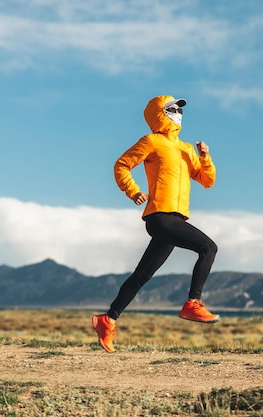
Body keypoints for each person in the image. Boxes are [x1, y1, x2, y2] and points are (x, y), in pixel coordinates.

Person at [92, 95, 220, 353]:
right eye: (171, 109)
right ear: (159, 113)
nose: (177, 112)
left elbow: (206, 181)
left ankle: (108, 319)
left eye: (179, 109)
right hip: (159, 217)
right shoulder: (152, 141)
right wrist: (133, 191)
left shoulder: (185, 148)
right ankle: (192, 303)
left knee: (142, 276)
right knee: (208, 248)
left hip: (175, 219)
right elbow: (122, 165)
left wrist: (205, 157)